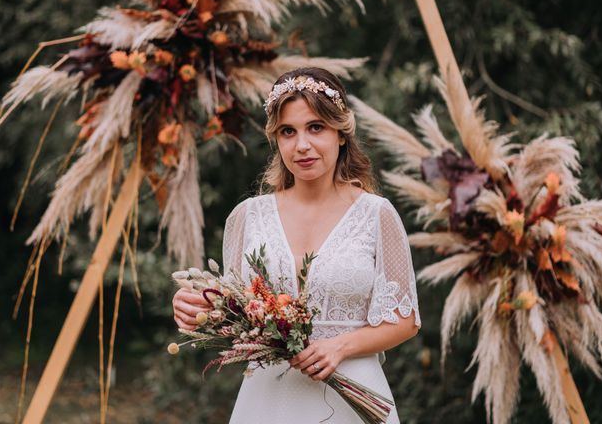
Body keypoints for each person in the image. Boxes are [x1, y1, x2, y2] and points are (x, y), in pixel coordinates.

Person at [172, 67, 420, 423]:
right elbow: (234, 315)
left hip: (353, 399)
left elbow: (406, 320)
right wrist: (198, 306)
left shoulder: (376, 215)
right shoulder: (247, 217)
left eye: (315, 127)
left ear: (341, 134)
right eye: (288, 132)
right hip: (267, 399)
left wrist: (339, 347)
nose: (301, 145)